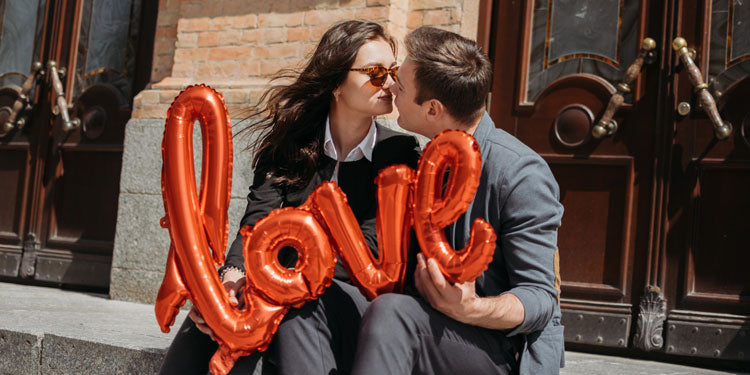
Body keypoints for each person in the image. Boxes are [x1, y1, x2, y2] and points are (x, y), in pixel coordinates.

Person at [160, 20, 420, 375]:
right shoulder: (291, 143)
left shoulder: (400, 151)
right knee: (213, 317)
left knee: (275, 308)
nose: (389, 83)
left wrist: (276, 280)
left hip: (351, 297)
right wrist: (231, 279)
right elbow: (256, 222)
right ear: (337, 83)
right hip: (277, 286)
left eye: (392, 71)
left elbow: (374, 247)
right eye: (376, 72)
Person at [351, 26, 565, 375]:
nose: (389, 87)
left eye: (400, 85)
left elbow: (540, 298)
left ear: (433, 109)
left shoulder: (519, 173)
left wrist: (471, 309)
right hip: (425, 323)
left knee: (391, 314)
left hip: (494, 348)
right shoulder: (419, 158)